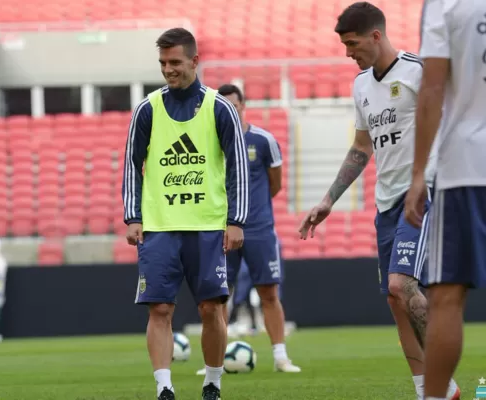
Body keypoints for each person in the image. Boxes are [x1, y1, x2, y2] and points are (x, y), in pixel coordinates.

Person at [298, 3, 460, 399]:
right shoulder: (360, 85)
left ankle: (445, 385)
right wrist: (328, 200)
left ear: (376, 35)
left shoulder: (418, 71)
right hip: (386, 201)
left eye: (352, 44)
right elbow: (360, 147)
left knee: (401, 283)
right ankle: (428, 390)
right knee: (394, 297)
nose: (348, 53)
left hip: (422, 192)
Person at [122, 28, 249, 400]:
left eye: (175, 62)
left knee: (212, 308)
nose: (168, 70)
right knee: (159, 308)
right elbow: (133, 165)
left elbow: (237, 167)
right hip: (160, 226)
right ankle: (164, 388)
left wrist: (235, 220)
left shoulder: (219, 107)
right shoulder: (147, 108)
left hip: (208, 225)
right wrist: (133, 215)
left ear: (195, 61)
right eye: (163, 63)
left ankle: (212, 383)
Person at [404, 0, 486, 398]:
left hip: (466, 167)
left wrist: (418, 173)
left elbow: (433, 86)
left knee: (447, 296)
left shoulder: (444, 4)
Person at [194, 84, 300, 376]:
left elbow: (274, 183)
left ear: (243, 106)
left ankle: (280, 357)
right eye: (224, 107)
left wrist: (254, 210)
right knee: (219, 295)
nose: (231, 111)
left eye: (235, 105)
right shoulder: (209, 142)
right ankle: (213, 361)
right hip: (220, 229)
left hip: (259, 228)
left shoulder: (263, 141)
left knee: (268, 291)